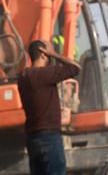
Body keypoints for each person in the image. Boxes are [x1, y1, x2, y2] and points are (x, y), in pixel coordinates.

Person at [17, 40, 81, 175]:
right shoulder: (45, 74)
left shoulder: (23, 77)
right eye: (49, 52)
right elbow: (75, 68)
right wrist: (54, 54)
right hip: (49, 136)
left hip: (32, 138)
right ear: (43, 54)